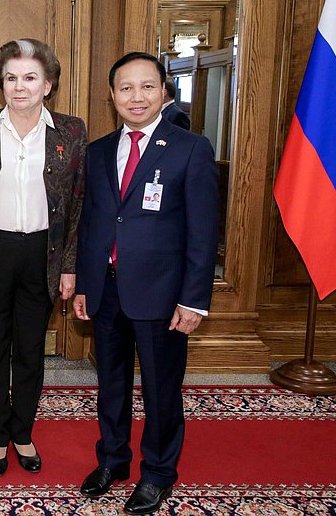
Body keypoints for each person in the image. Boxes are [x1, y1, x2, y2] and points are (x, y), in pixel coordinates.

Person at [73, 52, 218, 515]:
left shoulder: (190, 148)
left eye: (147, 87)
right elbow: (91, 223)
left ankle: (157, 473)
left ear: (164, 92)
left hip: (163, 294)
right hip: (107, 289)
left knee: (160, 388)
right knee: (110, 384)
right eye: (126, 88)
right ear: (112, 95)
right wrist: (83, 284)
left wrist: (194, 299)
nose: (136, 97)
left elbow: (203, 231)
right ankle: (113, 460)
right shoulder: (97, 151)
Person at [0, 39, 86, 477]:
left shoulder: (71, 132)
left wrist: (71, 265)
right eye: (11, 78)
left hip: (43, 254)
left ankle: (22, 432)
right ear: (1, 83)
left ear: (48, 84)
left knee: (31, 349)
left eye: (30, 78)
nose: (20, 87)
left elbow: (77, 205)